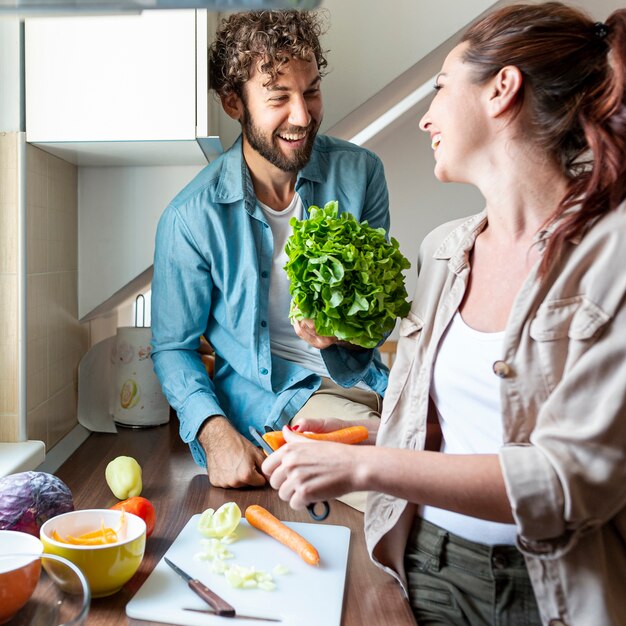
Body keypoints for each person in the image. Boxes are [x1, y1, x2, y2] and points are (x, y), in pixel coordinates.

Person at [262, 3, 626, 624]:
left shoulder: (611, 254)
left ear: (501, 89)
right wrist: (365, 436)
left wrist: (362, 463)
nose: (427, 116)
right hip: (421, 567)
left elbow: (567, 482)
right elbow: (457, 434)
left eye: (439, 90)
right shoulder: (444, 249)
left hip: (553, 591)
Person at [150, 10, 390, 490]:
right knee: (396, 478)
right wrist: (214, 433)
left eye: (312, 91)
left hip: (373, 386)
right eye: (279, 97)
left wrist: (341, 332)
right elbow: (173, 348)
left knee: (460, 442)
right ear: (234, 103)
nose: (303, 116)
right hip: (277, 403)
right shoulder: (191, 217)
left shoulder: (361, 174)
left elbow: (378, 313)